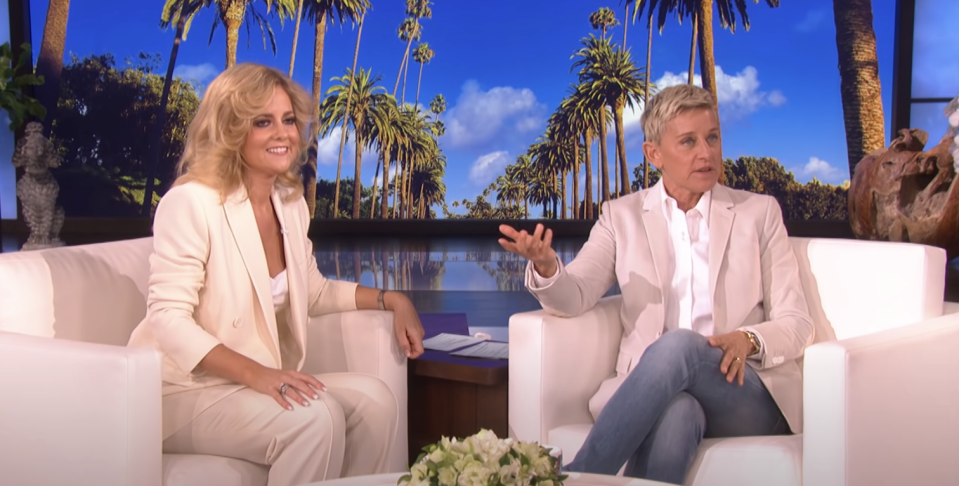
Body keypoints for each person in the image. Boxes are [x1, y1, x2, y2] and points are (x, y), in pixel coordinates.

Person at [498, 84, 814, 484]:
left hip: (742, 390)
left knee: (681, 344)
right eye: (689, 141)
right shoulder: (621, 217)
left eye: (712, 138)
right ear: (654, 154)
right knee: (679, 411)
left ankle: (571, 479)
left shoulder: (758, 213)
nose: (707, 153)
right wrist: (547, 267)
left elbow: (797, 322)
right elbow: (575, 297)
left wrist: (748, 339)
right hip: (657, 392)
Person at [127, 63, 425, 486]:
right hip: (180, 391)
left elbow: (314, 291)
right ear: (230, 130)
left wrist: (393, 299)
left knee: (376, 401)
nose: (283, 133)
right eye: (262, 122)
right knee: (311, 420)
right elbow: (168, 319)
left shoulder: (289, 202)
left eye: (288, 120)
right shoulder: (190, 202)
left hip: (245, 386)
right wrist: (259, 375)